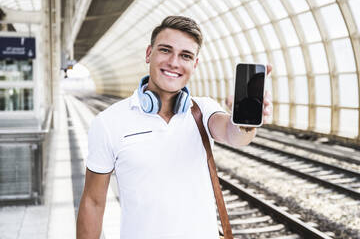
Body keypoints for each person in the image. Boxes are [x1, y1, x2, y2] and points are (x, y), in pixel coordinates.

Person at [76, 15, 272, 239]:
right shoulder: (108, 122)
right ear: (149, 53)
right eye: (166, 50)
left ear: (194, 64)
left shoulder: (203, 110)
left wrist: (244, 122)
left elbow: (234, 135)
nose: (174, 62)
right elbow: (92, 201)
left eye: (185, 55)